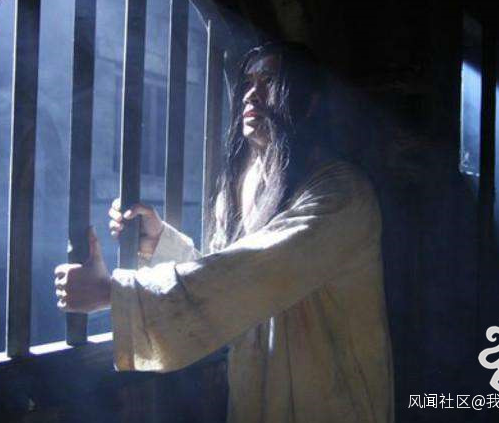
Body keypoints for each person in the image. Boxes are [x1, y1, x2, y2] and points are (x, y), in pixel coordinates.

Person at [54, 42, 394, 423]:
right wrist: (160, 242)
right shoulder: (249, 186)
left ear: (311, 102)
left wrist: (113, 292)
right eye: (248, 82)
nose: (252, 93)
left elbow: (250, 278)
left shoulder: (342, 195)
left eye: (269, 81)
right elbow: (226, 283)